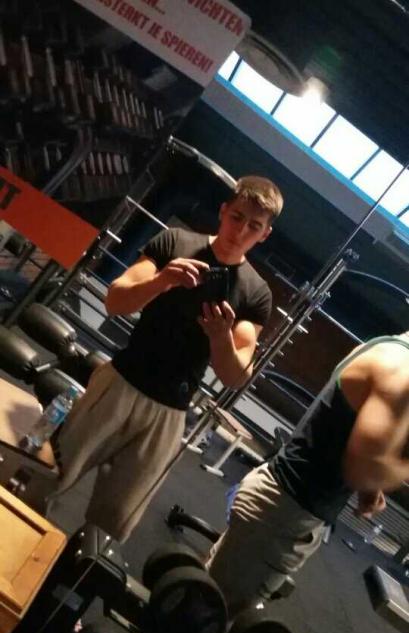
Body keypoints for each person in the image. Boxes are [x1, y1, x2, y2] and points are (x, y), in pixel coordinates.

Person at [51, 175, 284, 542]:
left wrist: (220, 336)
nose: (240, 231)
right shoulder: (175, 242)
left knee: (112, 526)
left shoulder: (256, 293)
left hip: (168, 414)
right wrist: (162, 281)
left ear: (265, 234)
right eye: (237, 217)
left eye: (254, 226)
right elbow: (115, 301)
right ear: (223, 210)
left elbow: (236, 376)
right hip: (119, 382)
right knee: (48, 475)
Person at [206, 332, 409, 618]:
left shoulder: (388, 349)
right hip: (284, 515)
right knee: (199, 620)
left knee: (200, 602)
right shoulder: (401, 370)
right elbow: (365, 466)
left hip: (282, 504)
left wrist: (370, 490)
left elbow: (349, 433)